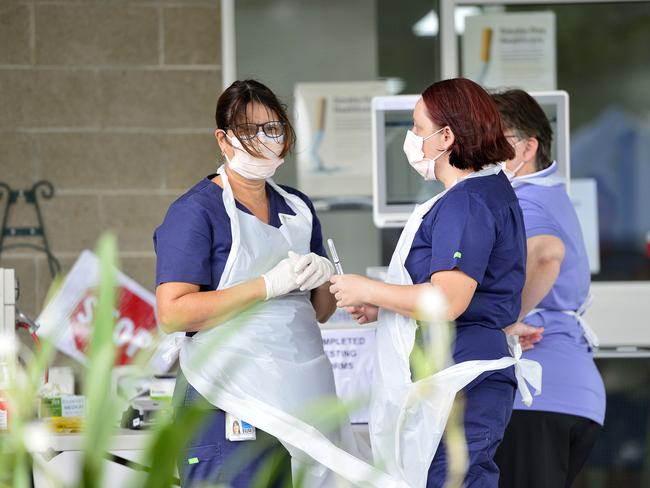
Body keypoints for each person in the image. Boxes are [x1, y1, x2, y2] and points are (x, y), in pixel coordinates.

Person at [330, 78, 527, 487]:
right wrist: (386, 304)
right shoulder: (486, 192)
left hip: (462, 376)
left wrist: (368, 289)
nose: (413, 139)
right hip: (462, 374)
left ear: (447, 137)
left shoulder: (467, 202)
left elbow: (447, 301)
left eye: (418, 129)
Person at [154, 79, 337, 487]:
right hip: (226, 394)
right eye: (248, 130)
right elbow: (172, 313)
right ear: (223, 139)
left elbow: (321, 312)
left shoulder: (298, 207)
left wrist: (324, 278)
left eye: (272, 129)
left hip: (300, 391)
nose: (263, 140)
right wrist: (266, 285)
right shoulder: (195, 212)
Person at [492, 89, 606, 488]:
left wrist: (503, 321)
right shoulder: (550, 193)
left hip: (538, 395)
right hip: (570, 394)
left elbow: (544, 256)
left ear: (528, 147)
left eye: (495, 140)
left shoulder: (525, 201)